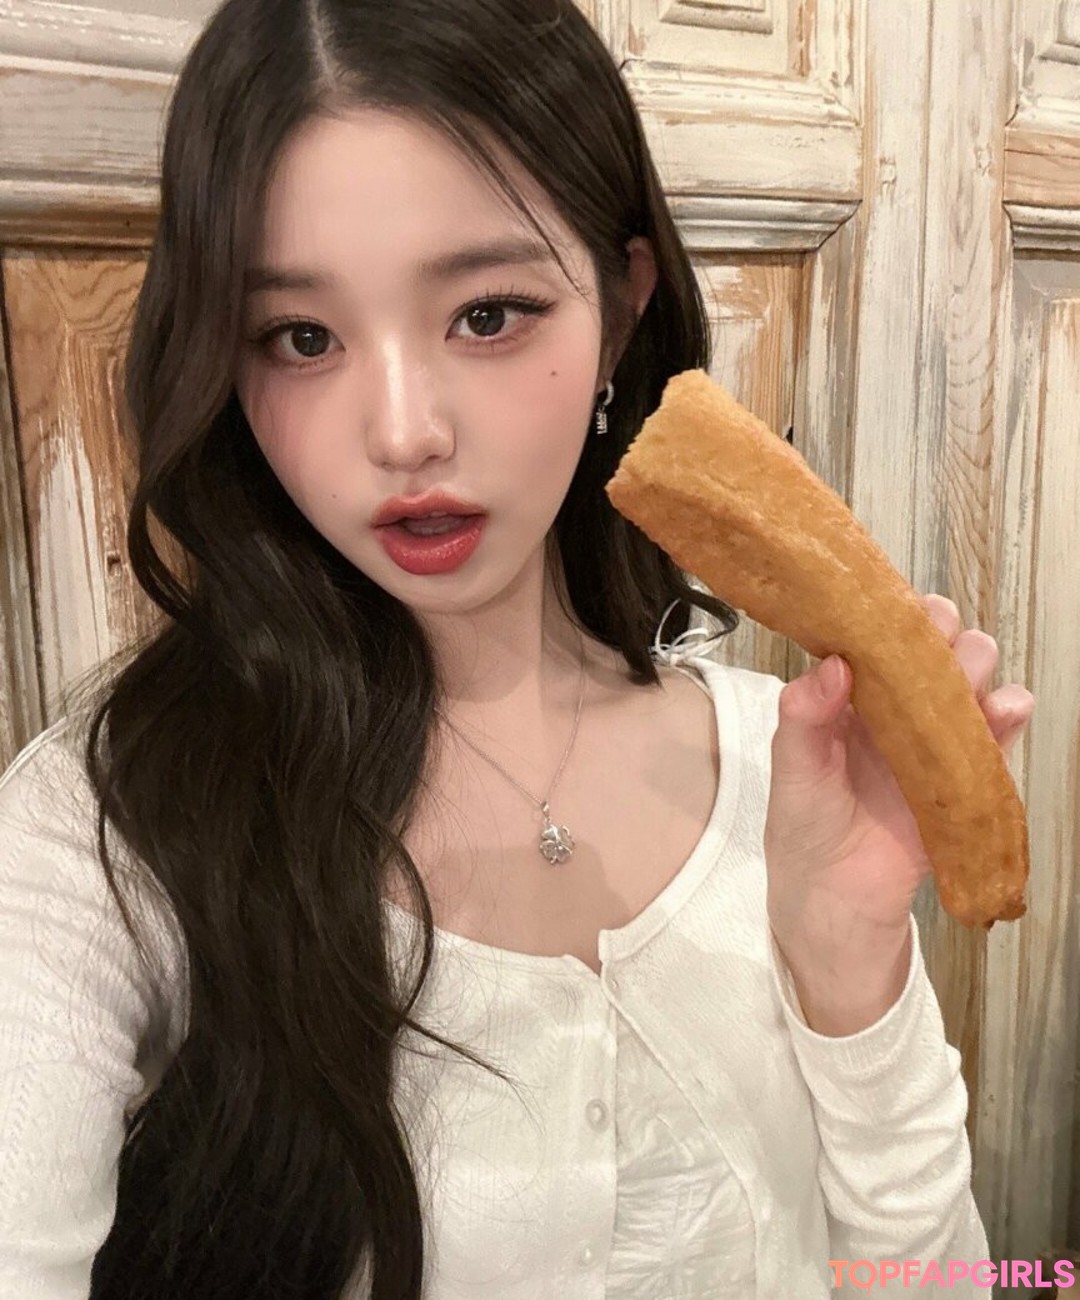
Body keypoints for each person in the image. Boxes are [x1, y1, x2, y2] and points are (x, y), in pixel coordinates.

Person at [0, 0, 1036, 1297]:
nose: (404, 432)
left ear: (621, 306)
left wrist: (851, 968)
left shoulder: (792, 770)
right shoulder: (106, 828)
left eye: (488, 313)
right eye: (303, 337)